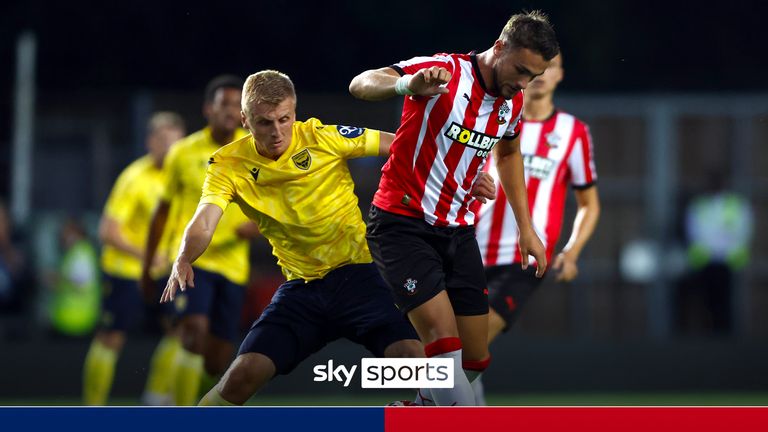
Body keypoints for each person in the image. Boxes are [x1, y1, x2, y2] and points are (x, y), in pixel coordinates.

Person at [161, 70, 493, 406]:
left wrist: (465, 173)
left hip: (361, 276)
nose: (277, 132)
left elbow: (405, 146)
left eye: (284, 119)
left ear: (294, 113)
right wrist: (184, 257)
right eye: (264, 123)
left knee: (418, 363)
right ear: (245, 120)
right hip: (301, 291)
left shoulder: (323, 137)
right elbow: (205, 219)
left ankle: (434, 410)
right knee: (240, 377)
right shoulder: (227, 164)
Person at [348, 11, 557, 405]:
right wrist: (407, 84)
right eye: (521, 70)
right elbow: (361, 84)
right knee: (446, 354)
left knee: (475, 360)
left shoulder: (511, 103)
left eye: (534, 77)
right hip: (402, 224)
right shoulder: (445, 71)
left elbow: (508, 154)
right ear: (499, 48)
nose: (524, 83)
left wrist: (526, 229)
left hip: (458, 232)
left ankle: (417, 405)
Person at [473, 53, 601, 404]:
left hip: (523, 259)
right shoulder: (491, 117)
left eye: (550, 66)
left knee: (465, 347)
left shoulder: (573, 133)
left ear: (560, 74)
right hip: (467, 250)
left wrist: (572, 252)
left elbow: (590, 204)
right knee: (455, 352)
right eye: (534, 67)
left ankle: (434, 413)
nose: (541, 74)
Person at [141, 75, 259, 405]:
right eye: (225, 104)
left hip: (234, 266)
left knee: (217, 359)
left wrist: (259, 227)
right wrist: (148, 264)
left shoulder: (254, 151)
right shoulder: (183, 152)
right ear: (209, 108)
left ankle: (187, 400)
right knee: (192, 333)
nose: (231, 112)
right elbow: (162, 212)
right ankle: (181, 416)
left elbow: (276, 204)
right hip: (194, 260)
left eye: (238, 106)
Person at [82, 111, 186, 406]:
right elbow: (107, 231)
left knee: (181, 332)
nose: (171, 148)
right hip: (126, 271)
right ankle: (92, 409)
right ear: (150, 142)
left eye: (177, 142)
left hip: (164, 271)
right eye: (164, 141)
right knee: (111, 338)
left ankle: (154, 400)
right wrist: (147, 256)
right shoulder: (133, 178)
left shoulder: (181, 178)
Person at [675, 171, 753, 335]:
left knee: (726, 300)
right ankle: (709, 333)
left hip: (728, 259)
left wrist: (727, 246)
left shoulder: (735, 204)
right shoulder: (699, 205)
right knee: (706, 299)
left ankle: (725, 333)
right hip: (705, 259)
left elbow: (744, 229)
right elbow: (693, 230)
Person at [50, 218, 101, 338]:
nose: (62, 236)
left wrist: (56, 280)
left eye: (66, 232)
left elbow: (81, 285)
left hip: (78, 321)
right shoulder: (74, 252)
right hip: (69, 321)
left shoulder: (82, 254)